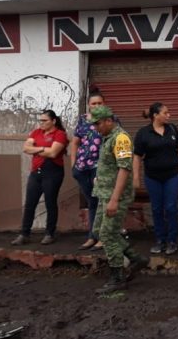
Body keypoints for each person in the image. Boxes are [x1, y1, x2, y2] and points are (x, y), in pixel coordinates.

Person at [88, 106, 148, 294]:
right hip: (104, 194)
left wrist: (114, 200)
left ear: (108, 120)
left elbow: (124, 169)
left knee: (107, 235)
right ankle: (135, 258)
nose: (95, 128)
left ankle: (117, 277)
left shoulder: (121, 139)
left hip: (115, 197)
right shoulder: (107, 137)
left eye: (98, 123)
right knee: (99, 231)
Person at [133, 101, 178, 256]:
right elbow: (137, 157)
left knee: (171, 207)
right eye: (165, 113)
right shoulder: (143, 133)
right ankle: (160, 240)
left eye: (168, 112)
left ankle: (172, 241)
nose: (169, 115)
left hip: (172, 176)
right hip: (152, 177)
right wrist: (135, 176)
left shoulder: (172, 129)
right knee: (156, 208)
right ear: (155, 115)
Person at [12, 110, 68, 246]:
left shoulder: (60, 134)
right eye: (40, 120)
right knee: (30, 204)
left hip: (52, 172)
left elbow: (54, 153)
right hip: (36, 172)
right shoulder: (36, 132)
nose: (41, 123)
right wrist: (44, 149)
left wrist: (36, 148)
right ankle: (24, 234)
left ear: (53, 121)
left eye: (44, 120)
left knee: (50, 203)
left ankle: (49, 233)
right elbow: (26, 148)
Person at [70, 91, 105, 250]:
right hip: (82, 167)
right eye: (93, 103)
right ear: (89, 105)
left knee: (102, 202)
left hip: (100, 167)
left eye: (99, 103)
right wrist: (74, 164)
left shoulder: (109, 119)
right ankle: (92, 236)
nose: (96, 106)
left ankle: (102, 238)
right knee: (92, 202)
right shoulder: (83, 120)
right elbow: (75, 142)